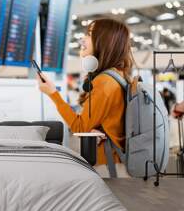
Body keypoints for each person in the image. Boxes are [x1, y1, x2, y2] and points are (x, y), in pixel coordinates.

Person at [37, 18, 134, 177]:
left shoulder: (104, 82)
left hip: (108, 167)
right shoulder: (117, 76)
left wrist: (53, 94)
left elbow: (80, 127)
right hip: (116, 164)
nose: (83, 39)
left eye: (89, 34)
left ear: (104, 42)